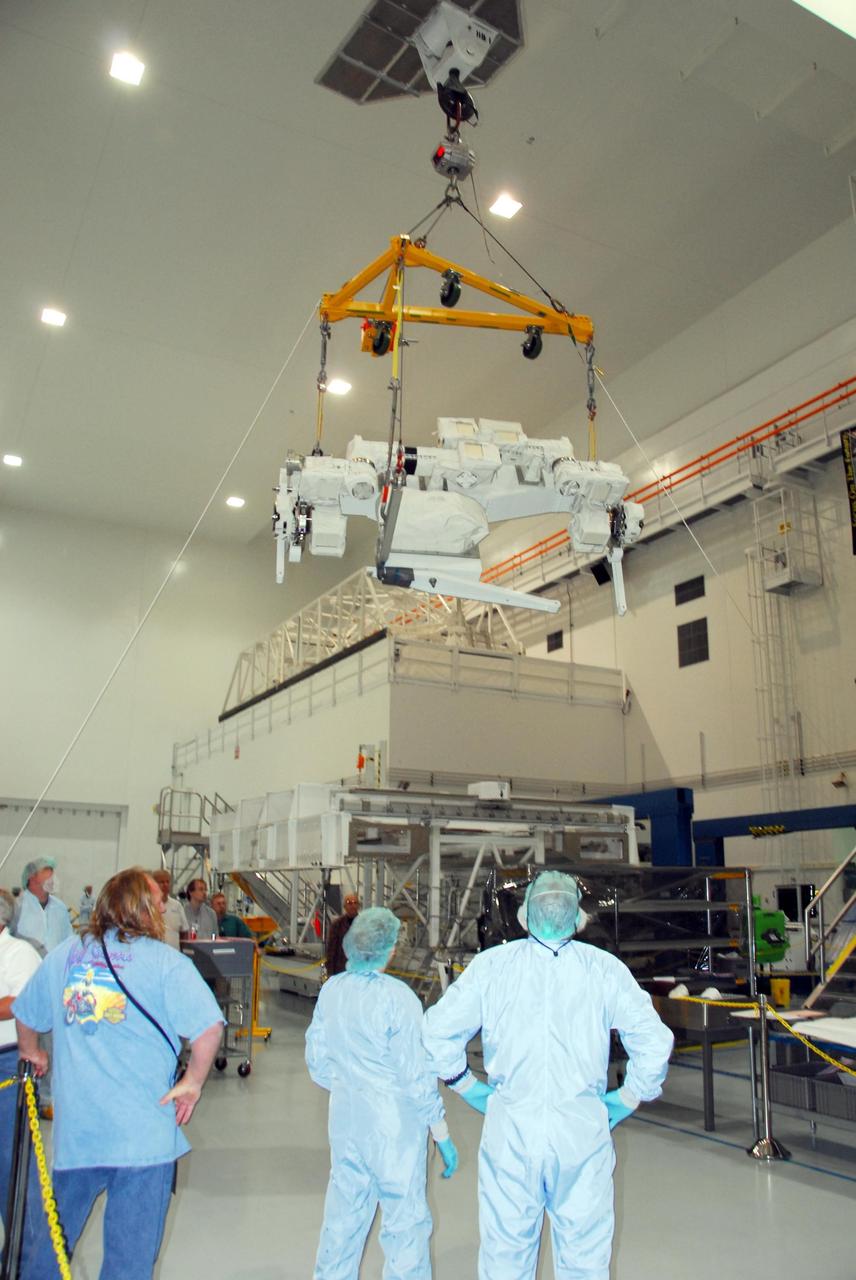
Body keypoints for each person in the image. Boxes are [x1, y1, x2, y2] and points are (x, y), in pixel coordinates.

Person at [422, 869, 674, 1280]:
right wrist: (629, 1096)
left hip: (510, 1129)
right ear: (578, 920)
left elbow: (436, 1032)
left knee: (505, 1255)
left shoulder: (493, 967)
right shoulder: (604, 970)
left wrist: (465, 1085)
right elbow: (653, 1040)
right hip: (582, 1131)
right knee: (585, 1257)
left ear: (523, 917)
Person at [13, 867, 224, 1279]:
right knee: (129, 1262)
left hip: (78, 1135)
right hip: (143, 1139)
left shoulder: (66, 955)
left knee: (50, 1252)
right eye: (160, 902)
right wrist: (192, 1083)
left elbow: (26, 1011)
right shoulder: (166, 963)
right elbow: (209, 1028)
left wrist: (32, 1051)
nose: (165, 907)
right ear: (146, 910)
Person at [306, 907, 457, 1279]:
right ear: (390, 950)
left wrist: (351, 1084)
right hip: (394, 1127)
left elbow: (317, 1061)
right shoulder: (399, 999)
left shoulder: (332, 991)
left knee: (342, 1219)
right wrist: (441, 1132)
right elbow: (417, 1074)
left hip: (346, 1121)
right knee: (405, 1223)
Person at [0, 890, 47, 1273]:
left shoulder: (20, 954)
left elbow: (21, 1003)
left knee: (11, 1164)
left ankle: (25, 1261)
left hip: (7, 1067)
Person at [13, 858, 73, 957]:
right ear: (32, 878)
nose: (53, 879)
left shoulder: (60, 908)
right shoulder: (17, 906)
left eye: (52, 874)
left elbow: (69, 941)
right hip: (25, 968)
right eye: (47, 874)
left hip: (54, 969)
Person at [324, 893, 360, 977]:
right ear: (344, 906)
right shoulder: (337, 924)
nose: (353, 906)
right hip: (341, 970)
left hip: (359, 970)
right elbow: (331, 950)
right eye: (349, 903)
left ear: (358, 905)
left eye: (355, 902)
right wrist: (330, 972)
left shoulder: (364, 924)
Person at [151, 869, 188, 950]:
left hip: (174, 953)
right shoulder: (148, 905)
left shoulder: (177, 905)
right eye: (162, 882)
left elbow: (184, 931)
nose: (165, 885)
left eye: (167, 882)